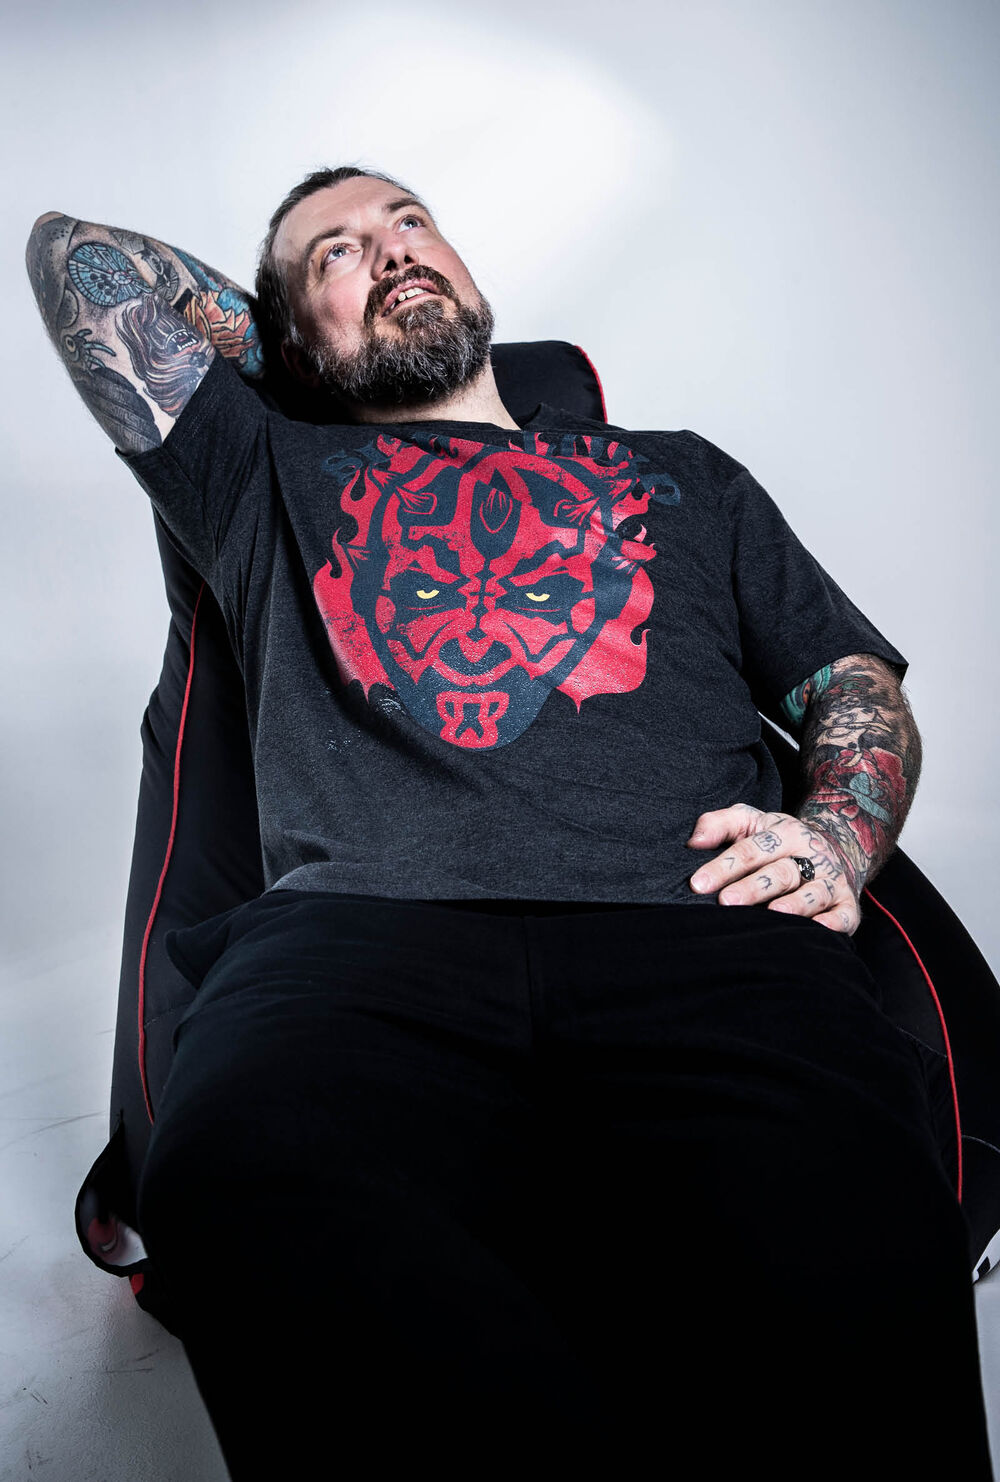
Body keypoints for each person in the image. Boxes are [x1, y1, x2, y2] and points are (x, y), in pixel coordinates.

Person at [25, 167, 993, 1480]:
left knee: (864, 1226)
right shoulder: (260, 472)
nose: (389, 251)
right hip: (358, 939)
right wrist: (284, 352)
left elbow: (850, 684)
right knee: (237, 1168)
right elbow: (76, 256)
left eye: (410, 223)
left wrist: (837, 835)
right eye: (337, 253)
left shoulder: (684, 474)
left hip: (698, 924)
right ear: (289, 333)